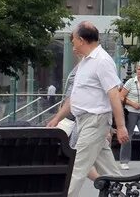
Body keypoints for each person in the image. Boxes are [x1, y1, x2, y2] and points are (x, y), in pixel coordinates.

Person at [48, 22, 129, 197]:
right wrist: (57, 118)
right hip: (85, 121)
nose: (72, 44)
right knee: (109, 170)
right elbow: (75, 97)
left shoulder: (102, 61)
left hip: (95, 120)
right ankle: (121, 194)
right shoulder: (85, 61)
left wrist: (121, 126)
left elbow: (114, 95)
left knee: (76, 166)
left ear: (82, 40)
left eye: (74, 40)